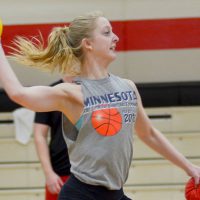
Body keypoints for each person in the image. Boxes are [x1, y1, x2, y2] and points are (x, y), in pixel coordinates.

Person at [0, 11, 200, 200]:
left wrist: (190, 168)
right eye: (107, 33)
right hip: (81, 194)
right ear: (87, 44)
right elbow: (18, 93)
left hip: (116, 193)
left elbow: (149, 134)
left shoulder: (127, 87)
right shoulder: (72, 92)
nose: (116, 38)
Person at [34, 76, 73, 200]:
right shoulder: (50, 92)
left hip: (90, 172)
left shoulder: (91, 89)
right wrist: (48, 173)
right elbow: (39, 134)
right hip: (60, 172)